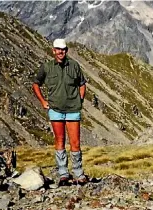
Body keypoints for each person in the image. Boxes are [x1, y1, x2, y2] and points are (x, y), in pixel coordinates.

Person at [32, 38, 87, 186]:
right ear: (53, 50)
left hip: (73, 110)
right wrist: (43, 101)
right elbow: (36, 84)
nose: (60, 52)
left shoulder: (74, 66)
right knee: (60, 140)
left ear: (66, 51)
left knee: (75, 142)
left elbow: (82, 84)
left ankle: (78, 173)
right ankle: (63, 174)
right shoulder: (47, 67)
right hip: (55, 109)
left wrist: (80, 100)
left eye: (63, 49)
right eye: (58, 49)